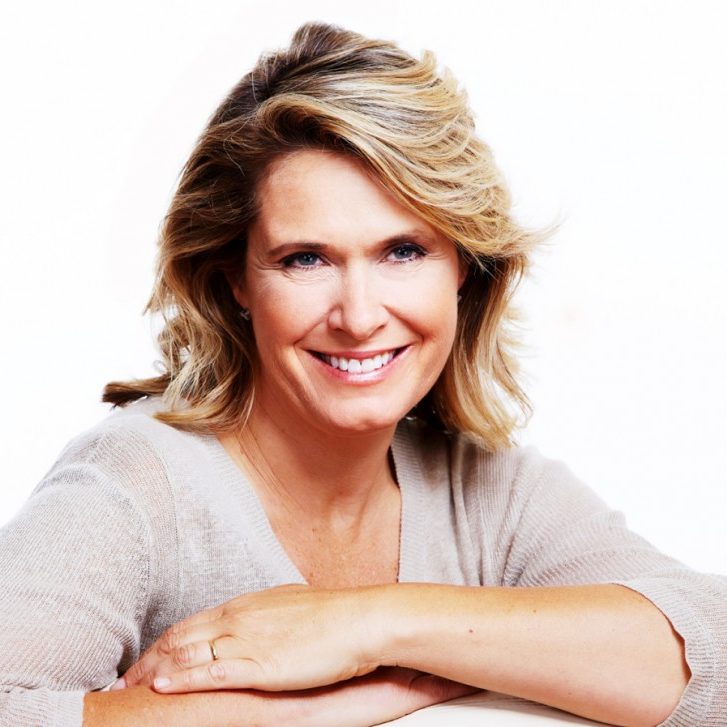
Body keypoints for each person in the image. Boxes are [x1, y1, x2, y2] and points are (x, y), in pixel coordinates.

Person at [1, 20, 725, 727]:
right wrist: (327, 707)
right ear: (235, 282)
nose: (358, 316)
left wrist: (366, 625)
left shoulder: (488, 494)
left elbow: (712, 654)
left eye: (402, 251)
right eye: (305, 259)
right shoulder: (134, 484)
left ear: (464, 270)